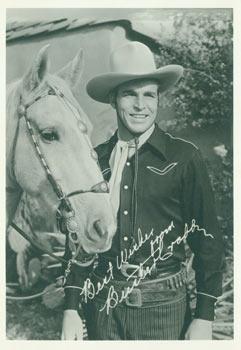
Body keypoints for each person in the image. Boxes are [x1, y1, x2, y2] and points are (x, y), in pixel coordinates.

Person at [61, 41, 224, 340]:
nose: (141, 105)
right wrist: (71, 306)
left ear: (158, 99)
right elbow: (79, 240)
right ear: (113, 99)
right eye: (130, 94)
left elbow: (209, 242)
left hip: (164, 308)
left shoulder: (184, 158)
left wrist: (204, 316)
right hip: (102, 306)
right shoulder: (93, 161)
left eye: (149, 94)